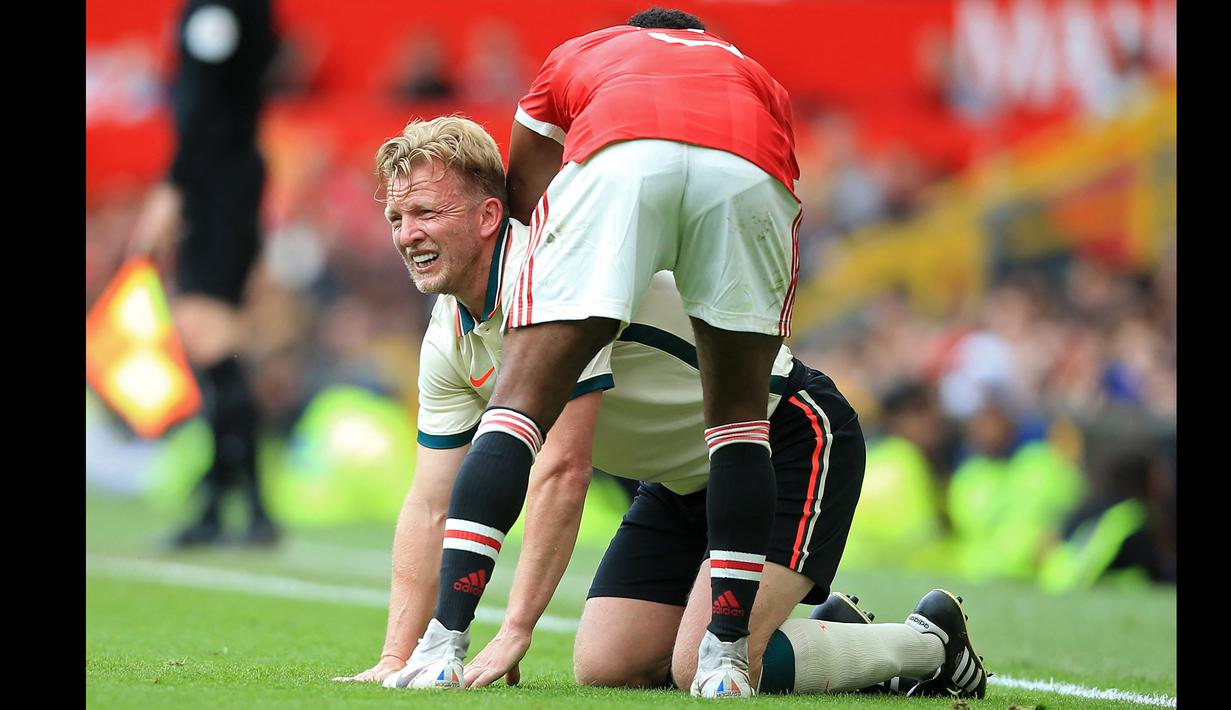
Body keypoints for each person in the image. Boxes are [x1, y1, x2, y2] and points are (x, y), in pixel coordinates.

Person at [333, 115, 987, 700]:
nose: (406, 234)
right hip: (679, 484)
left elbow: (563, 467)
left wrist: (514, 629)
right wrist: (396, 657)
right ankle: (827, 634)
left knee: (700, 665)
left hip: (786, 441)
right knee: (606, 663)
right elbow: (430, 502)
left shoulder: (558, 276)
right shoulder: (448, 330)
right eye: (396, 218)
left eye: (424, 213)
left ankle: (930, 643)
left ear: (485, 217)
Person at [405, 8, 811, 698]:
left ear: (635, 29)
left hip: (618, 159)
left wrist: (561, 290)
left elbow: (525, 194)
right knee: (739, 423)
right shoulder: (752, 72)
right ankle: (722, 661)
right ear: (702, 39)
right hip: (747, 167)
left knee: (518, 408)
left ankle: (443, 646)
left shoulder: (586, 51)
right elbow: (783, 170)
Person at [130, 0, 279, 547]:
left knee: (206, 332)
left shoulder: (217, 9)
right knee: (220, 341)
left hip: (216, 183)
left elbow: (202, 107)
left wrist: (173, 188)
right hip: (232, 178)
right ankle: (246, 505)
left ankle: (228, 504)